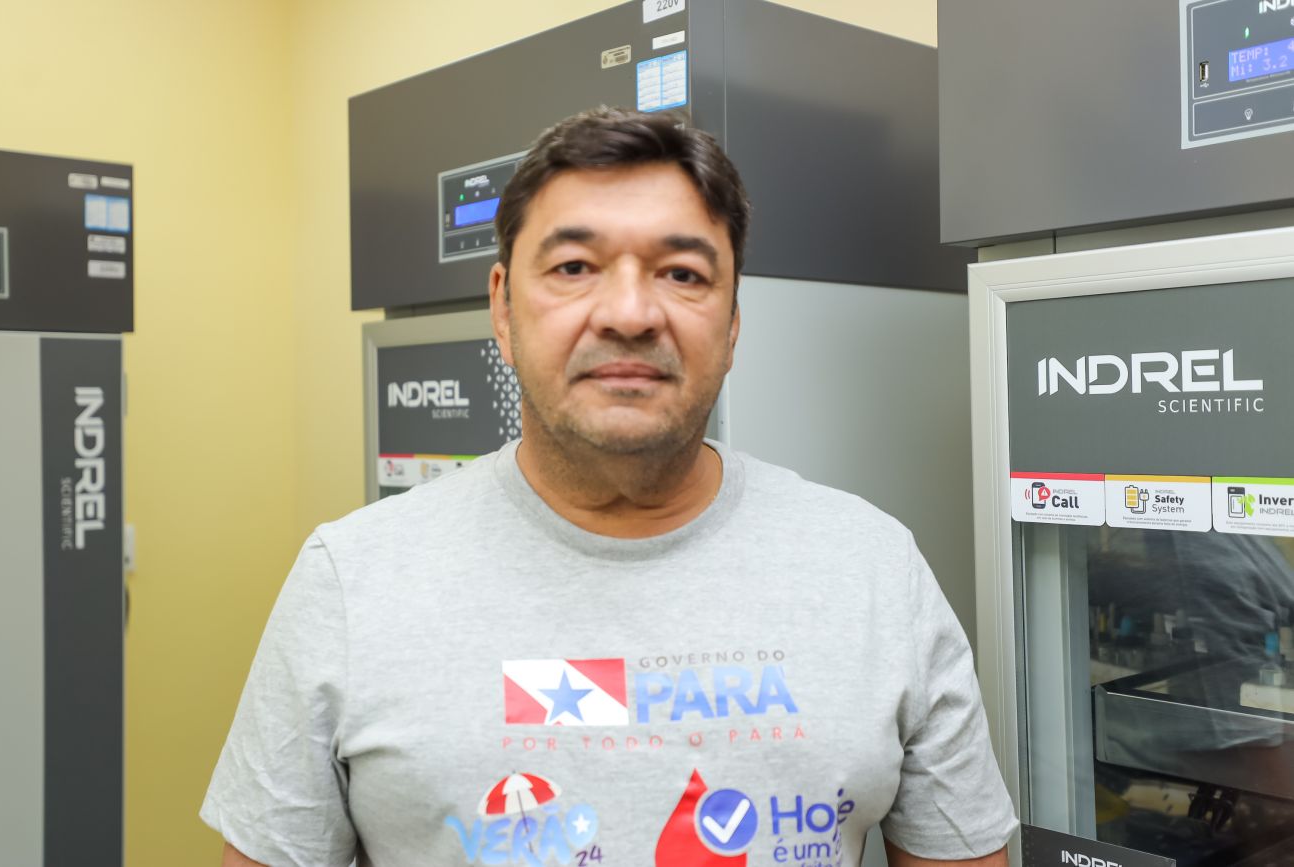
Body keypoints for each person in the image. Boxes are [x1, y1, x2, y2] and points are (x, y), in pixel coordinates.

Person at [203, 107, 1017, 867]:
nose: (629, 313)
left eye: (683, 274)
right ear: (503, 308)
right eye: (574, 266)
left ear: (733, 323)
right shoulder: (350, 581)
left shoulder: (872, 568)